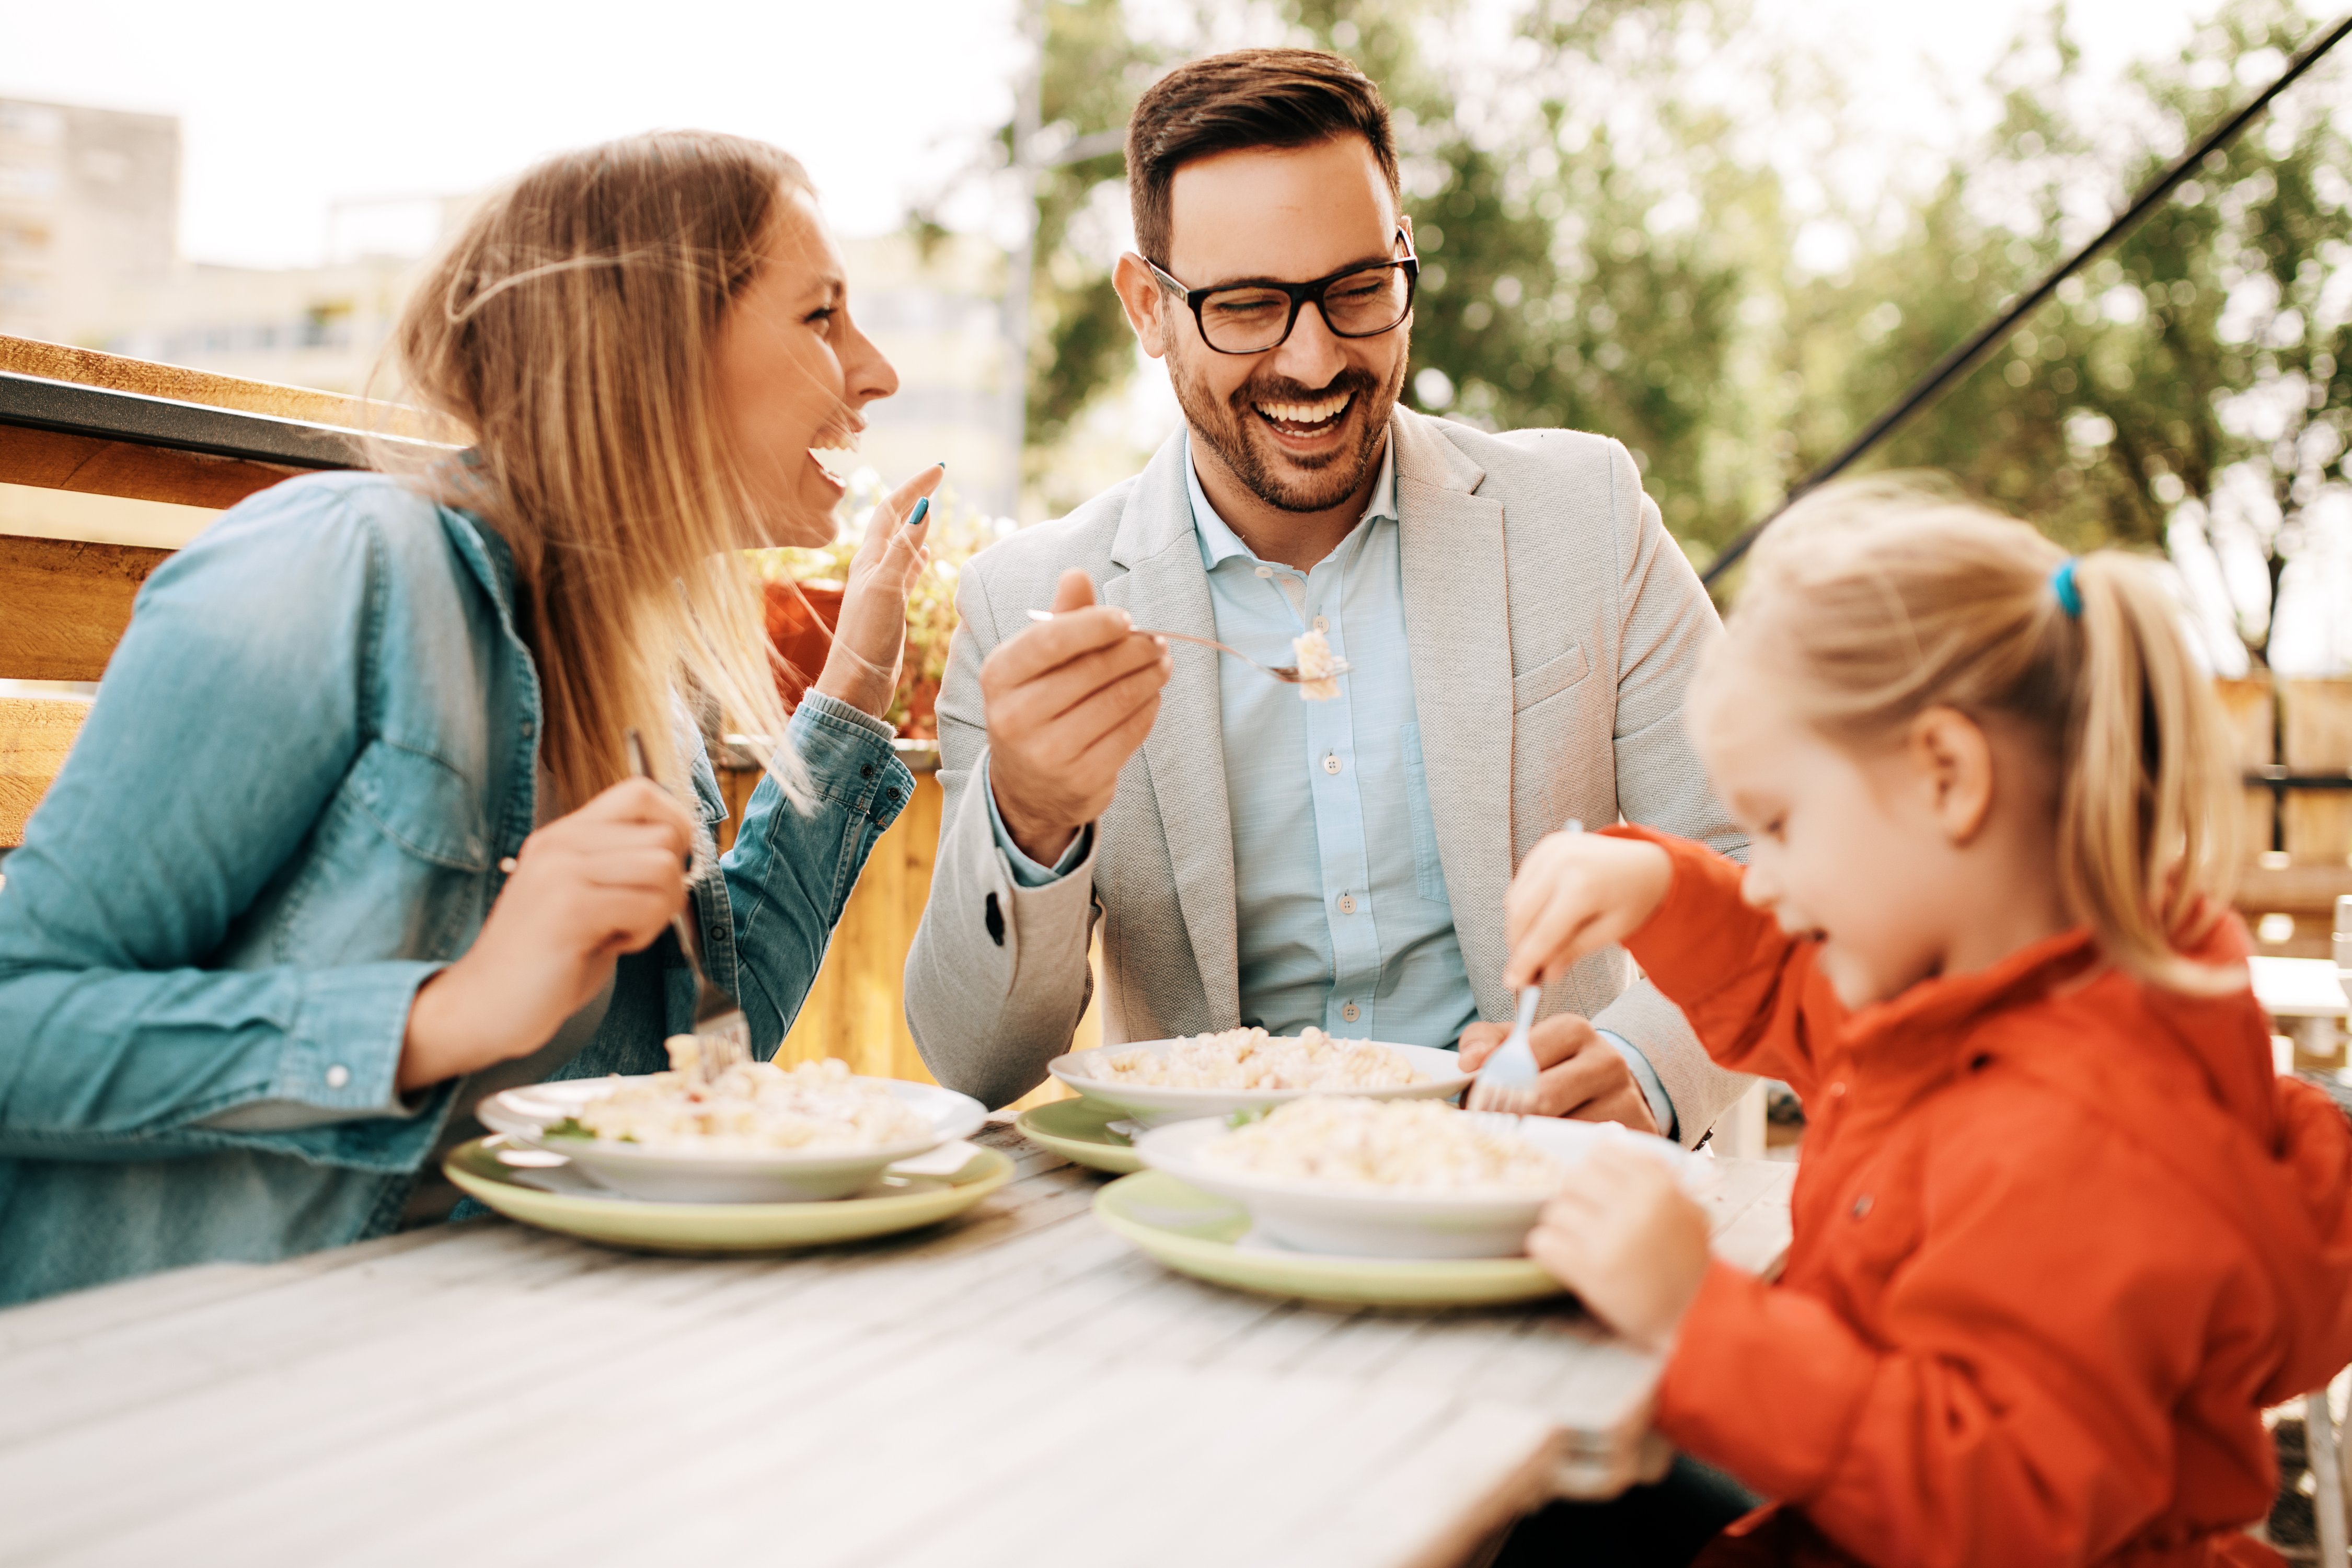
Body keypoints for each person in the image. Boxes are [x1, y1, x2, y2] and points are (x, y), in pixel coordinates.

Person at [0, 132, 942, 1306]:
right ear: (648, 340)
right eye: (822, 316)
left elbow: (705, 1054)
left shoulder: (640, 677)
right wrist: (438, 1017)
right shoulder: (340, 569)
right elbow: (20, 1027)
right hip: (211, 1383)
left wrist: (856, 683)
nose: (877, 372)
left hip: (510, 1357)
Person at [1497, 478, 2352, 1566]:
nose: (1763, 879)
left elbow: (2006, 1506)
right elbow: (1783, 985)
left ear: (1946, 776)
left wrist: (1698, 1320)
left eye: (1783, 824)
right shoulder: (1956, 999)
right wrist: (1658, 887)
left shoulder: (2089, 1134)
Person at [905, 49, 1750, 1142]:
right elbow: (978, 1066)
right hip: (1208, 1220)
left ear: (1404, 260)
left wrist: (1642, 1067)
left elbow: (1760, 860)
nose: (1313, 361)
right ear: (1146, 308)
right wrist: (1032, 816)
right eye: (1248, 307)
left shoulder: (1585, 515)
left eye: (1357, 291)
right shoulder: (1024, 602)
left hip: (1530, 1196)